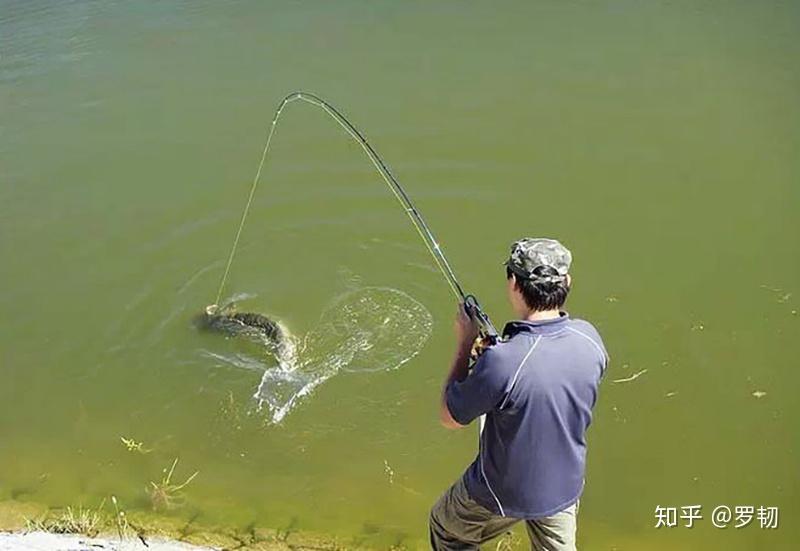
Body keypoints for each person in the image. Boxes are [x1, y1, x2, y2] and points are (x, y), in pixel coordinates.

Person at [430, 238, 608, 551]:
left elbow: (450, 417)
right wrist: (498, 356)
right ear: (567, 282)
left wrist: (465, 343)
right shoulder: (590, 339)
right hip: (563, 487)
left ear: (514, 283)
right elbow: (541, 379)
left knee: (447, 530)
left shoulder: (502, 362)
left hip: (500, 492)